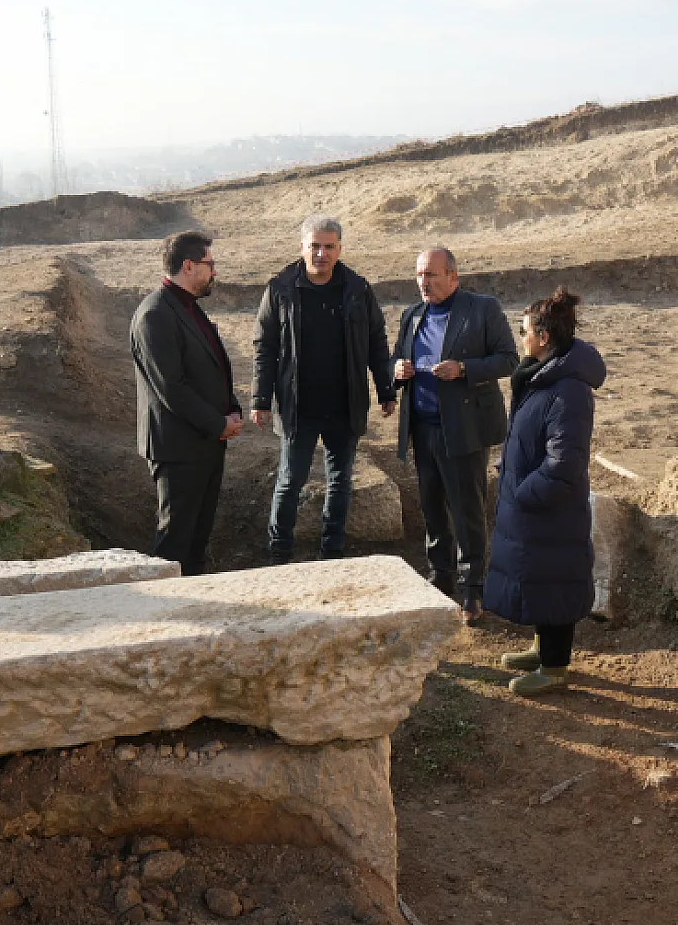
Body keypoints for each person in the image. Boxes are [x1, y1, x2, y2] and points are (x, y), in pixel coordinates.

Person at [252, 214, 395, 563]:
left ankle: (332, 551)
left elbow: (376, 341)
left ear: (339, 249)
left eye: (329, 246)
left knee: (341, 481)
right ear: (302, 247)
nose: (321, 253)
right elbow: (264, 347)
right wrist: (260, 399)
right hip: (298, 407)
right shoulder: (280, 290)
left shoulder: (358, 290)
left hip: (345, 405)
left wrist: (386, 389)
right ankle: (279, 553)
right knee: (290, 481)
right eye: (315, 246)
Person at [484, 287, 606, 695]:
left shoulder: (568, 390)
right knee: (540, 577)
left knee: (555, 580)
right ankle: (542, 649)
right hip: (535, 506)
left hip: (550, 509)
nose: (522, 338)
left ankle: (555, 668)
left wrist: (523, 493)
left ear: (544, 337)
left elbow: (564, 463)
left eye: (525, 332)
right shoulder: (540, 377)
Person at [391, 246, 516, 624]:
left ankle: (473, 588)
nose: (423, 282)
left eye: (431, 275)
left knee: (467, 510)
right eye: (419, 275)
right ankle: (440, 577)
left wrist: (463, 368)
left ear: (453, 277)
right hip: (422, 427)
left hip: (463, 428)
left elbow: (508, 359)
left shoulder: (483, 309)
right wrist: (397, 369)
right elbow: (394, 358)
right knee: (431, 506)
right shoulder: (412, 315)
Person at [130, 230, 242, 575]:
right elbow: (171, 387)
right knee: (175, 541)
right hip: (179, 448)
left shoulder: (188, 309)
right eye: (210, 264)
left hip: (205, 442)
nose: (214, 271)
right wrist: (218, 423)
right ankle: (167, 603)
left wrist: (231, 408)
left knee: (197, 540)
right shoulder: (155, 314)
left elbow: (211, 367)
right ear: (189, 266)